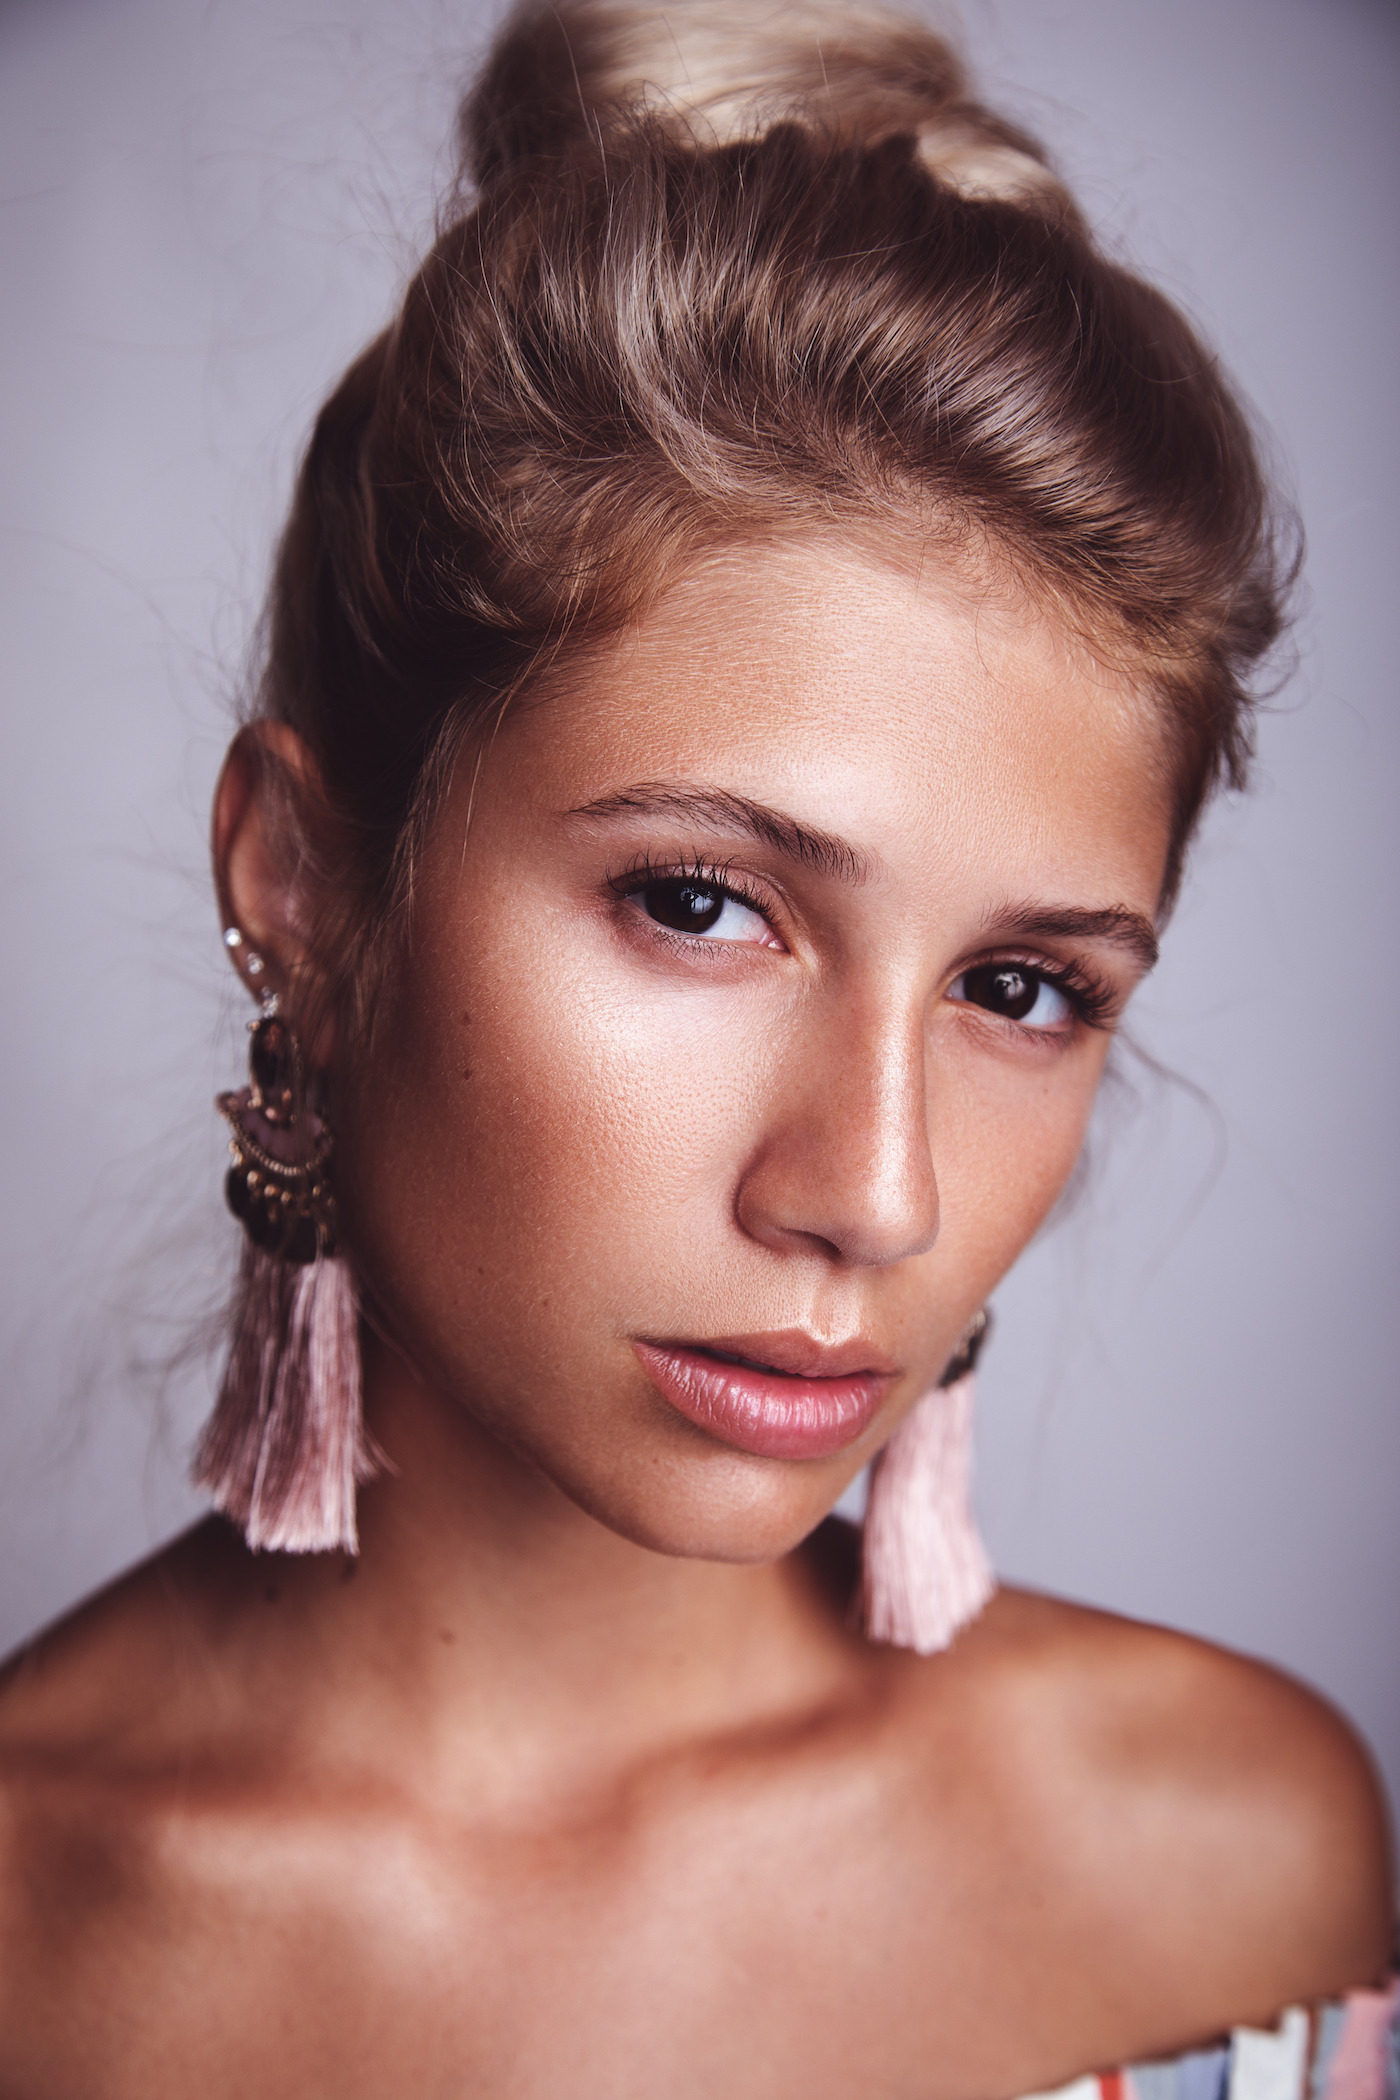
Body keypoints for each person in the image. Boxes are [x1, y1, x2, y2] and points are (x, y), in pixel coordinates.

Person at [0, 2, 1392, 2092]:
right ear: (304, 884)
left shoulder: (1231, 1867)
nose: (877, 1191)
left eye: (1020, 989)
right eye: (702, 903)